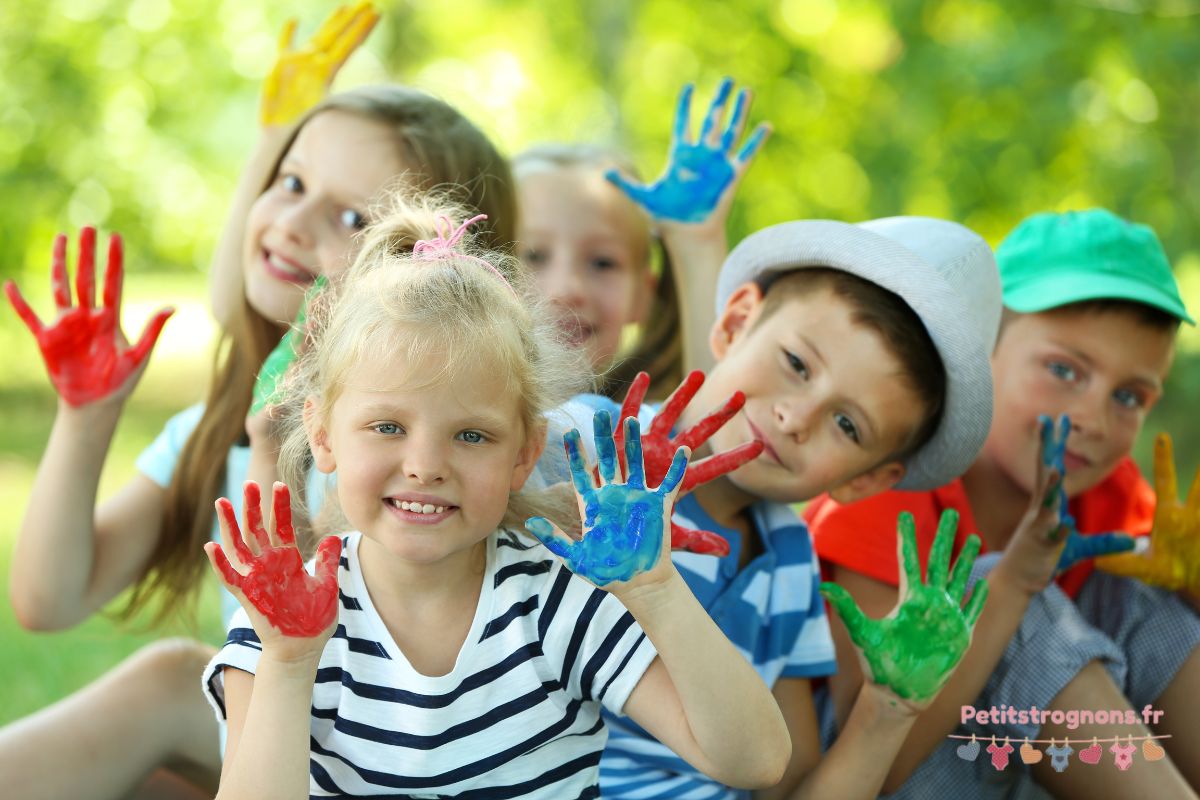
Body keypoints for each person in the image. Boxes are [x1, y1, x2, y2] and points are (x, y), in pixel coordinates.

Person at [0, 21, 515, 797]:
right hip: (280, 754)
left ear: (434, 272)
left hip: (411, 760)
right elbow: (49, 599)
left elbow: (346, 650)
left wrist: (275, 455)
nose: (292, 222)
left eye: (350, 219)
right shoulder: (217, 433)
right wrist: (89, 414)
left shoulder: (434, 460)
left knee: (176, 685)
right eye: (292, 181)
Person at [200, 201, 790, 798]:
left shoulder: (555, 602)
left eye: (471, 436)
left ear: (524, 454)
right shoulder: (285, 625)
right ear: (323, 435)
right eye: (387, 427)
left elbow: (755, 762)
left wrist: (656, 592)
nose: (426, 466)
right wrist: (289, 664)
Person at [551, 215, 1004, 797]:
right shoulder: (592, 448)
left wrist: (889, 710)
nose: (795, 417)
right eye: (796, 364)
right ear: (737, 322)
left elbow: (786, 790)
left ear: (868, 479)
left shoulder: (790, 564)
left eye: (846, 424)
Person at [806, 208, 1200, 798]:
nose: (1091, 418)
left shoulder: (1106, 490)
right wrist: (1015, 582)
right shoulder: (892, 482)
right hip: (887, 767)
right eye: (1064, 369)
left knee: (1145, 597)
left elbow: (1163, 636)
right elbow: (876, 766)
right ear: (979, 350)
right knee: (995, 589)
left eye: (1128, 396)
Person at [514, 78, 770, 398]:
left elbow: (715, 421)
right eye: (534, 255)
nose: (566, 289)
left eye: (603, 263)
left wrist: (696, 243)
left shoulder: (641, 430)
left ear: (643, 296)